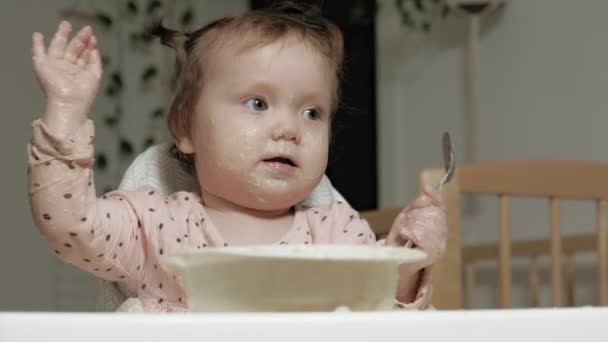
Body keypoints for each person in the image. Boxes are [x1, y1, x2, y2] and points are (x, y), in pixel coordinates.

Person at [28, 2, 446, 312]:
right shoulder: (155, 225)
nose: (290, 129)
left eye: (312, 112)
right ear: (186, 129)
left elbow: (382, 316)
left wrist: (408, 259)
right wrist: (65, 114)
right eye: (259, 104)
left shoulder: (335, 230)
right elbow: (69, 228)